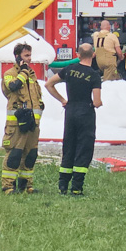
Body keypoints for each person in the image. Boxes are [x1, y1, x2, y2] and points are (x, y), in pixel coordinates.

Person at [44, 43, 103, 196]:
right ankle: (76, 187)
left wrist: (63, 99)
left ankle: (62, 185)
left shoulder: (69, 70)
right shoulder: (94, 75)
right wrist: (98, 103)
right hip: (86, 113)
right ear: (93, 55)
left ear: (77, 55)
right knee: (83, 148)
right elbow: (97, 101)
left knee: (69, 146)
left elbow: (49, 84)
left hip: (70, 112)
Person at [0, 43, 44, 194]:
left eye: (30, 55)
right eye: (26, 56)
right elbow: (12, 87)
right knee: (14, 154)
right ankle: (8, 186)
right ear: (18, 57)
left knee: (31, 154)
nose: (29, 59)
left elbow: (36, 96)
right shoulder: (10, 73)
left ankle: (26, 186)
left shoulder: (32, 74)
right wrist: (23, 73)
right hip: (16, 124)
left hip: (33, 123)